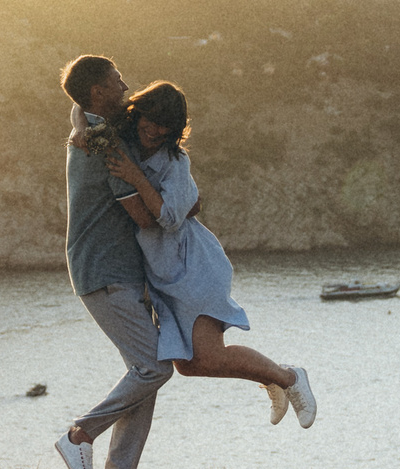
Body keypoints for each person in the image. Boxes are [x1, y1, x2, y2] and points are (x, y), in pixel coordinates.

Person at [105, 81, 317, 428]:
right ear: (138, 112)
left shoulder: (175, 160)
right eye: (151, 120)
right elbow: (80, 112)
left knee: (211, 354)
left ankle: (290, 378)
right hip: (163, 276)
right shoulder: (127, 144)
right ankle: (272, 378)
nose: (155, 130)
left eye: (165, 127)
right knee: (189, 366)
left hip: (193, 267)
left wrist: (136, 179)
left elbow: (171, 218)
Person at [50, 55, 173, 469]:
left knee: (145, 371)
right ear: (99, 91)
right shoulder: (102, 143)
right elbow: (142, 214)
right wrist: (177, 211)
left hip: (116, 270)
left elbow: (78, 110)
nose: (125, 84)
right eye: (117, 80)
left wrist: (79, 115)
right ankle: (79, 435)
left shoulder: (93, 125)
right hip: (103, 270)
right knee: (155, 366)